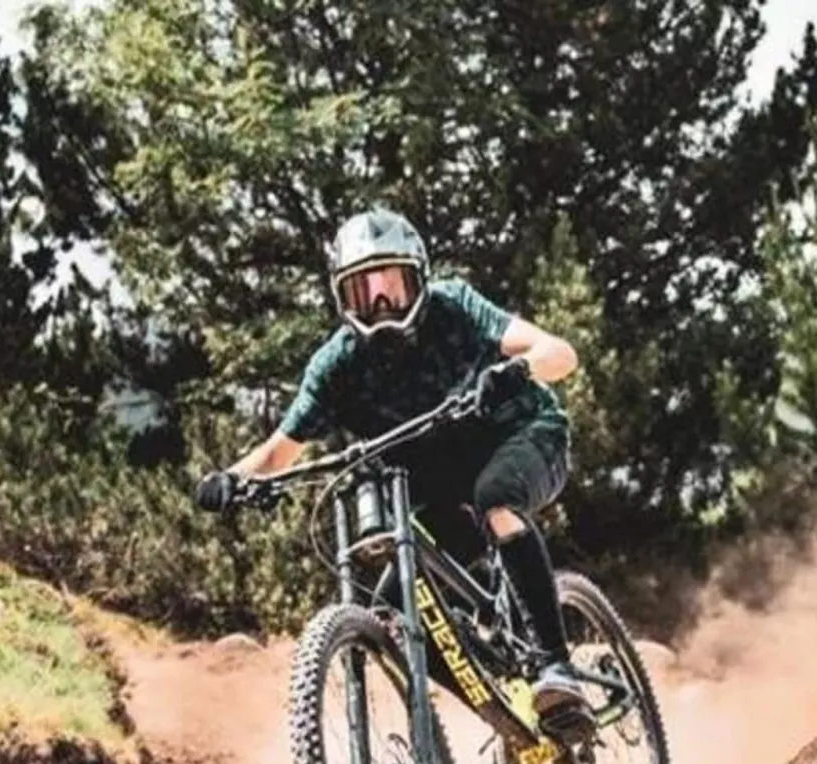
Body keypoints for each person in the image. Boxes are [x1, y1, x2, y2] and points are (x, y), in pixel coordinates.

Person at [194, 208, 590, 735]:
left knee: (496, 498)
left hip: (521, 435)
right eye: (365, 291)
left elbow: (560, 353)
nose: (381, 305)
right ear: (342, 298)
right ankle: (509, 716)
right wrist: (230, 479)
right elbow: (278, 452)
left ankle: (556, 667)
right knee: (394, 607)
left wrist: (516, 370)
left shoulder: (454, 307)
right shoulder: (336, 366)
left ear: (420, 280)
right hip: (441, 478)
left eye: (393, 287)